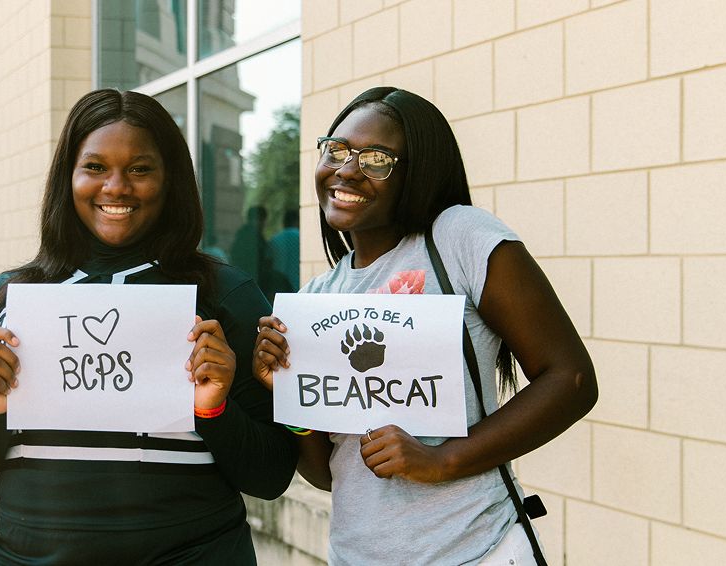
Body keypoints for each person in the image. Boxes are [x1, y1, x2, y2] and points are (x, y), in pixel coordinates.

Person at [0, 89, 297, 564]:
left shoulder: (224, 296)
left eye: (140, 169)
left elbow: (271, 476)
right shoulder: (7, 300)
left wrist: (214, 410)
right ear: (68, 177)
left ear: (171, 181)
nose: (116, 187)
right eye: (95, 167)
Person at [252, 87, 598, 565]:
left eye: (377, 159)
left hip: (477, 550)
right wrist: (284, 391)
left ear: (417, 175)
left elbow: (572, 380)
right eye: (337, 149)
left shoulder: (459, 236)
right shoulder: (314, 298)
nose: (348, 169)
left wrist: (442, 461)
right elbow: (329, 474)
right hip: (356, 556)